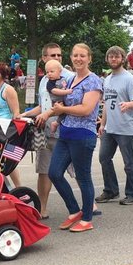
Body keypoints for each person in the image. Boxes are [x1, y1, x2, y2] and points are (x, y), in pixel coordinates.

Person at [48, 43, 103, 232]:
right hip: (65, 133)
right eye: (75, 55)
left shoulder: (93, 81)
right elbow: (64, 104)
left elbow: (87, 110)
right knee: (54, 173)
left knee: (83, 176)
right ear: (71, 58)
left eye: (82, 56)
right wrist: (59, 118)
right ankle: (74, 210)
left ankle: (87, 218)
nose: (78, 59)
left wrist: (62, 109)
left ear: (89, 58)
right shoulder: (71, 80)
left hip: (83, 135)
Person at [19, 43, 73, 219]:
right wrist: (24, 114)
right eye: (52, 55)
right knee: (44, 171)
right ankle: (42, 208)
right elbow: (43, 106)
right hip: (45, 132)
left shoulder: (69, 78)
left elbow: (70, 103)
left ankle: (89, 206)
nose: (57, 58)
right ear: (43, 58)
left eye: (59, 55)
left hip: (65, 130)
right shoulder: (44, 80)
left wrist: (50, 114)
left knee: (78, 169)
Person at [96, 46, 133, 205]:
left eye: (117, 57)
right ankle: (111, 190)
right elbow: (107, 104)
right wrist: (102, 124)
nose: (113, 59)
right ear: (107, 59)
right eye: (111, 57)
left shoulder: (129, 79)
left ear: (123, 59)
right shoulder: (107, 79)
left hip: (126, 128)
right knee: (104, 158)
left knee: (129, 162)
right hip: (110, 128)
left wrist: (128, 104)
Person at [44, 59, 73, 133]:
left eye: (52, 71)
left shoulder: (63, 79)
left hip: (64, 100)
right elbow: (55, 91)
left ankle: (57, 123)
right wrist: (66, 92)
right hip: (57, 102)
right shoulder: (49, 83)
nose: (49, 74)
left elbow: (66, 85)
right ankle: (55, 123)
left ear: (60, 72)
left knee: (68, 112)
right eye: (47, 72)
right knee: (64, 112)